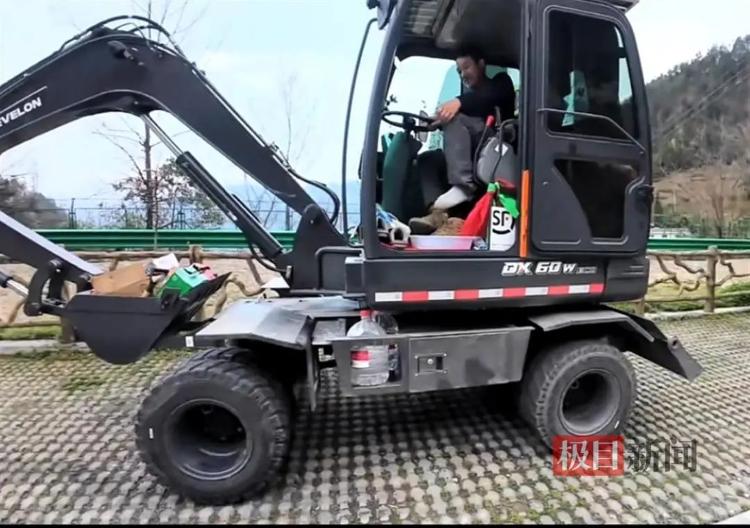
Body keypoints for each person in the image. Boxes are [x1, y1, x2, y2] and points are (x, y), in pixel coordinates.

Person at [409, 47, 516, 235]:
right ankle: (438, 213)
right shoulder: (467, 101)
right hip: (470, 157)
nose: (463, 74)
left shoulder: (501, 83)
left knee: (454, 118)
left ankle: (463, 187)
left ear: (481, 64)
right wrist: (437, 122)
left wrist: (457, 104)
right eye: (459, 71)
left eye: (466, 67)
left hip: (494, 151)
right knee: (428, 159)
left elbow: (485, 98)